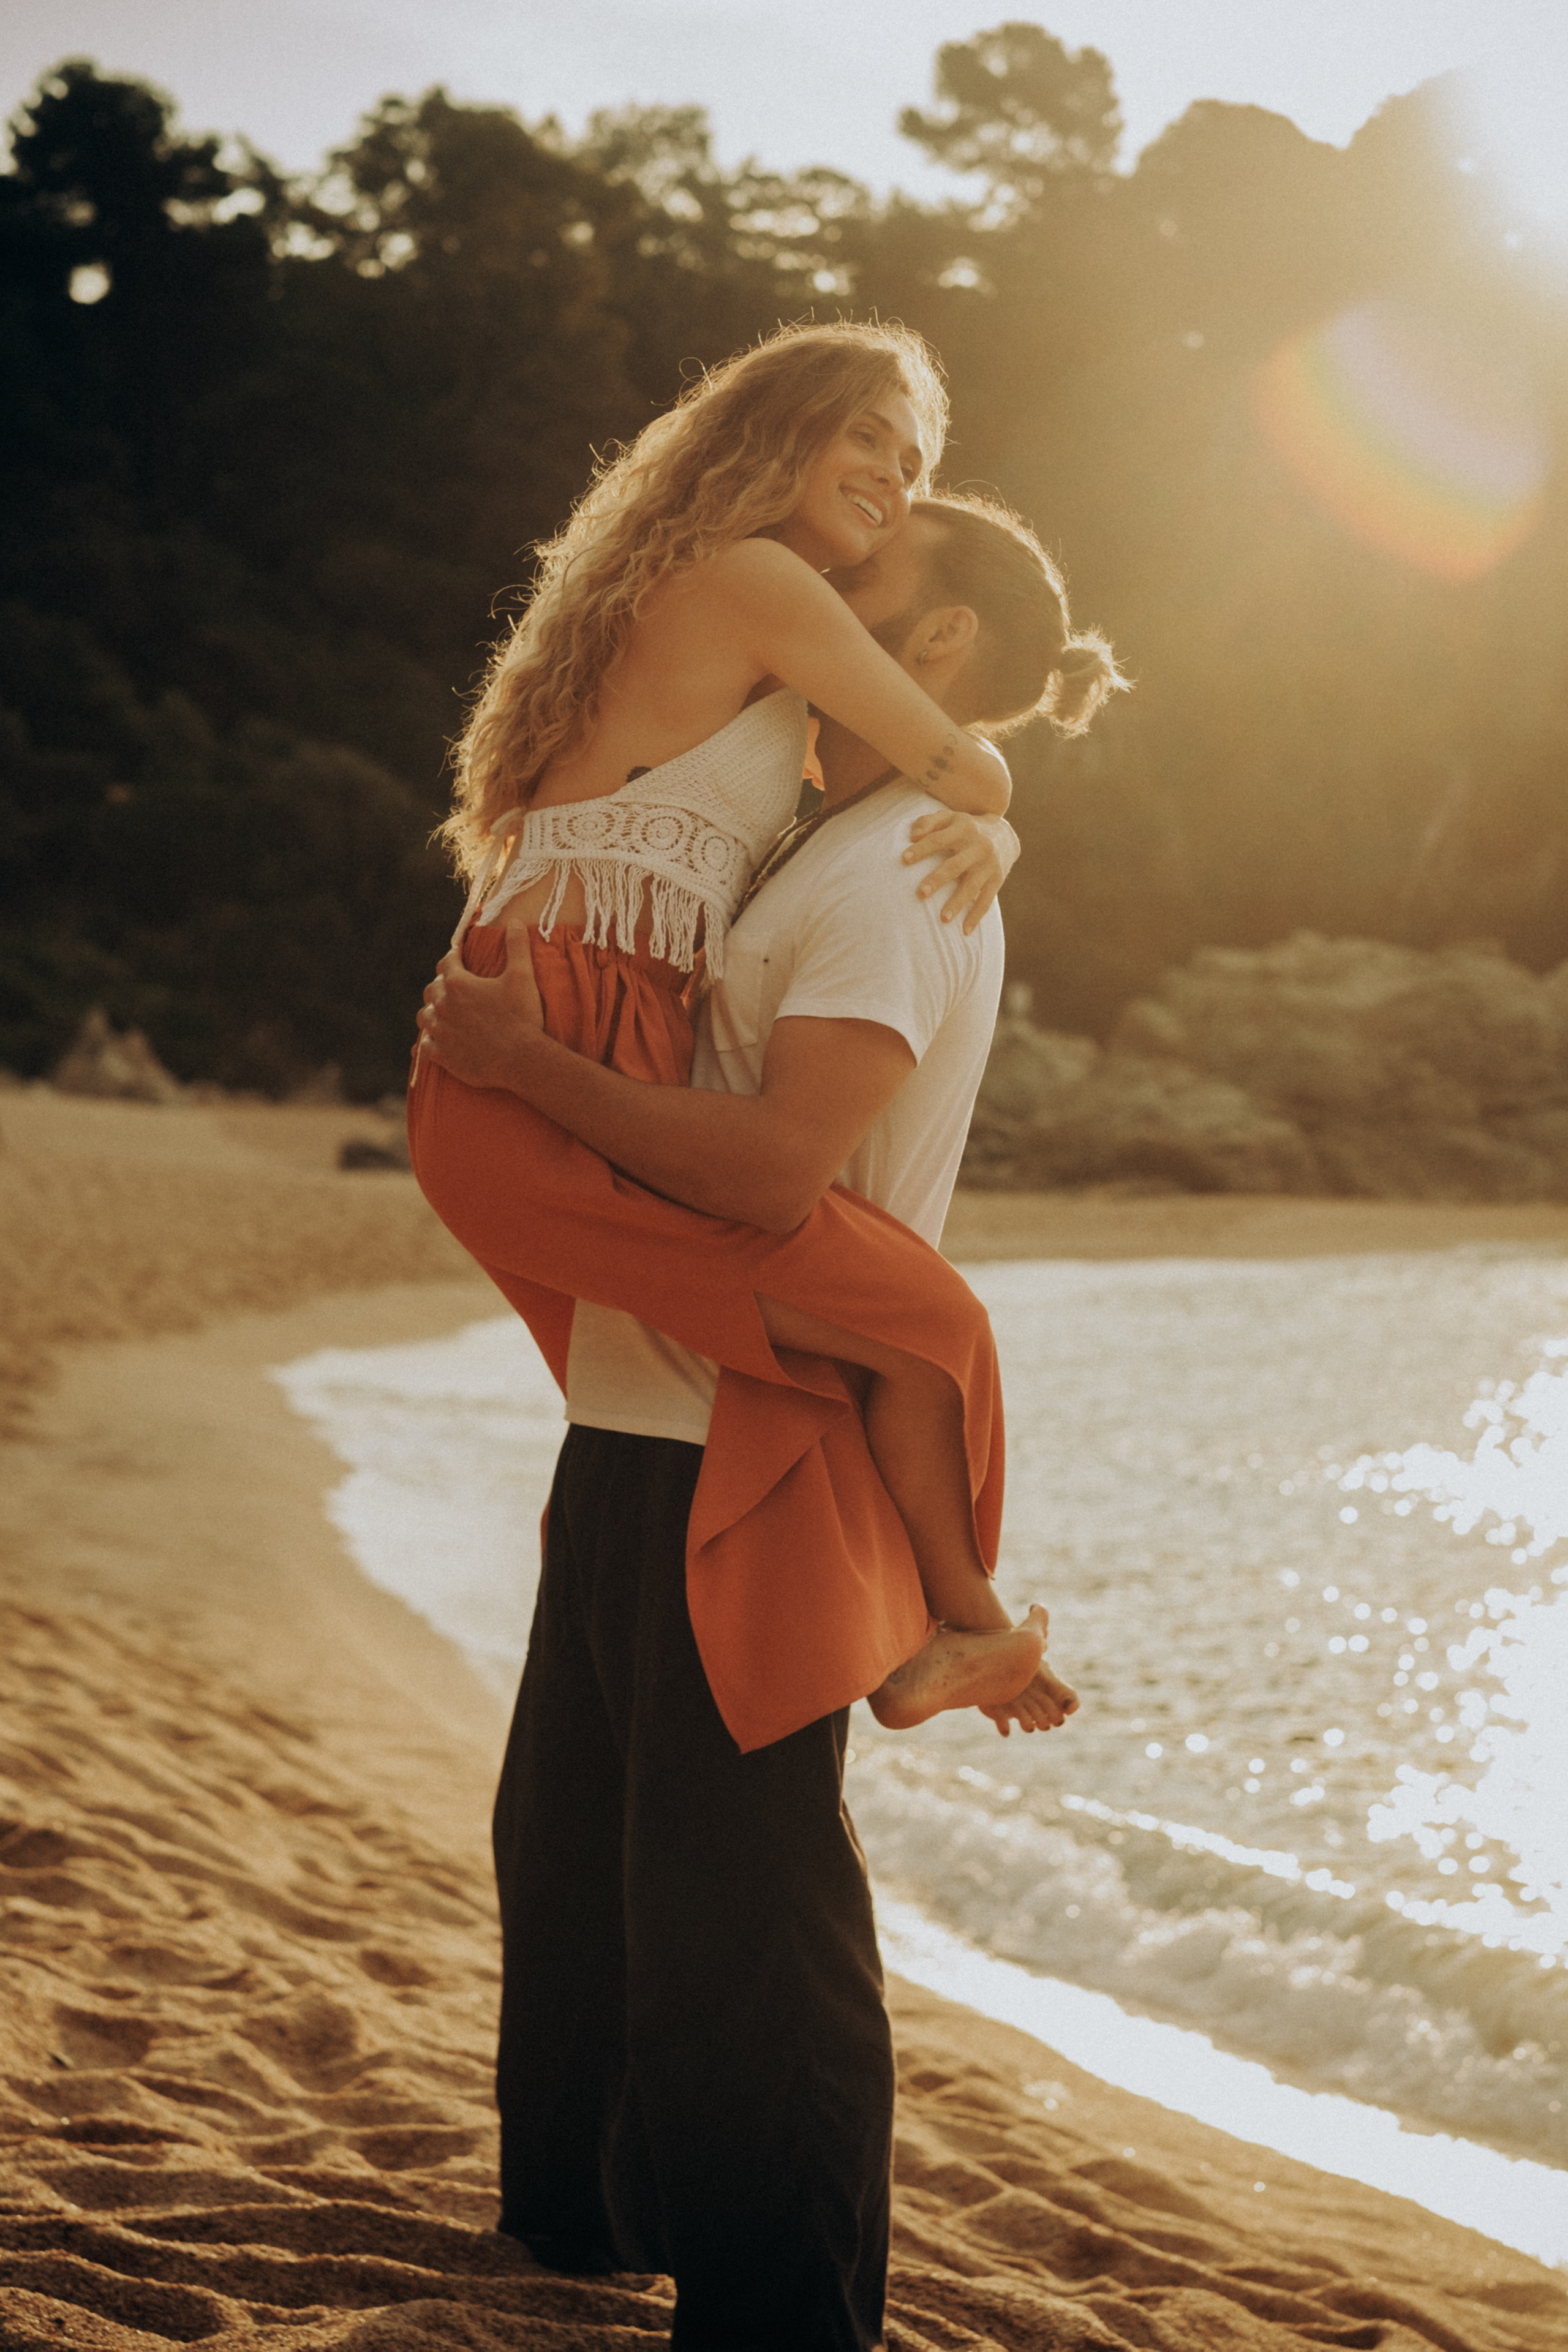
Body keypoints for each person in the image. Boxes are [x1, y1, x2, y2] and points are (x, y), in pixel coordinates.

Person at [416, 489, 1123, 2349]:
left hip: (757, 1435)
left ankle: (786, 2312)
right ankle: (576, 2231)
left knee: (748, 1918)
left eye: (859, 589)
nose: (812, 607)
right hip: (648, 1416)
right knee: (576, 1863)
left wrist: (521, 1067)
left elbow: (765, 1173)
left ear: (938, 645)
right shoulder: (859, 839)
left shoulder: (897, 879)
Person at [410, 321, 1115, 1739]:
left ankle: (934, 1628)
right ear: (776, 425)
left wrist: (982, 828)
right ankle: (956, 1624)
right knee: (918, 1323)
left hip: (576, 1032)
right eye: (863, 435)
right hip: (548, 1035)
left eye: (912, 460)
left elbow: (909, 771)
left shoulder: (744, 636)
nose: (891, 478)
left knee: (796, 1363)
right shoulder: (761, 586)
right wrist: (998, 820)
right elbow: (958, 755)